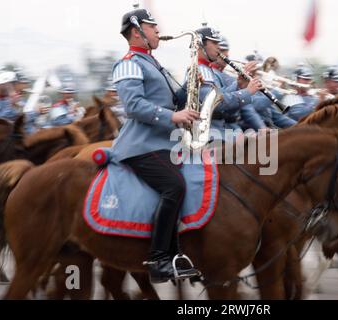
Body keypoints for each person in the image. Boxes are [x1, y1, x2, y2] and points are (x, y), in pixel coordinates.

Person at [112, 8, 201, 283]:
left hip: (163, 144)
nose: (158, 31)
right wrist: (173, 117)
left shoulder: (152, 63)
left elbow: (172, 99)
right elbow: (134, 106)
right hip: (138, 145)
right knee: (174, 186)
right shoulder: (128, 63)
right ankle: (159, 258)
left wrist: (190, 85)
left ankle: (182, 252)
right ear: (137, 31)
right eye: (153, 27)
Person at [194, 26, 263, 140]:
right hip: (212, 134)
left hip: (222, 131)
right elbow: (214, 104)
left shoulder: (206, 69)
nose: (218, 46)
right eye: (214, 42)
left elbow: (219, 95)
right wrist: (247, 91)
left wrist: (238, 84)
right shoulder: (201, 70)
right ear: (201, 44)